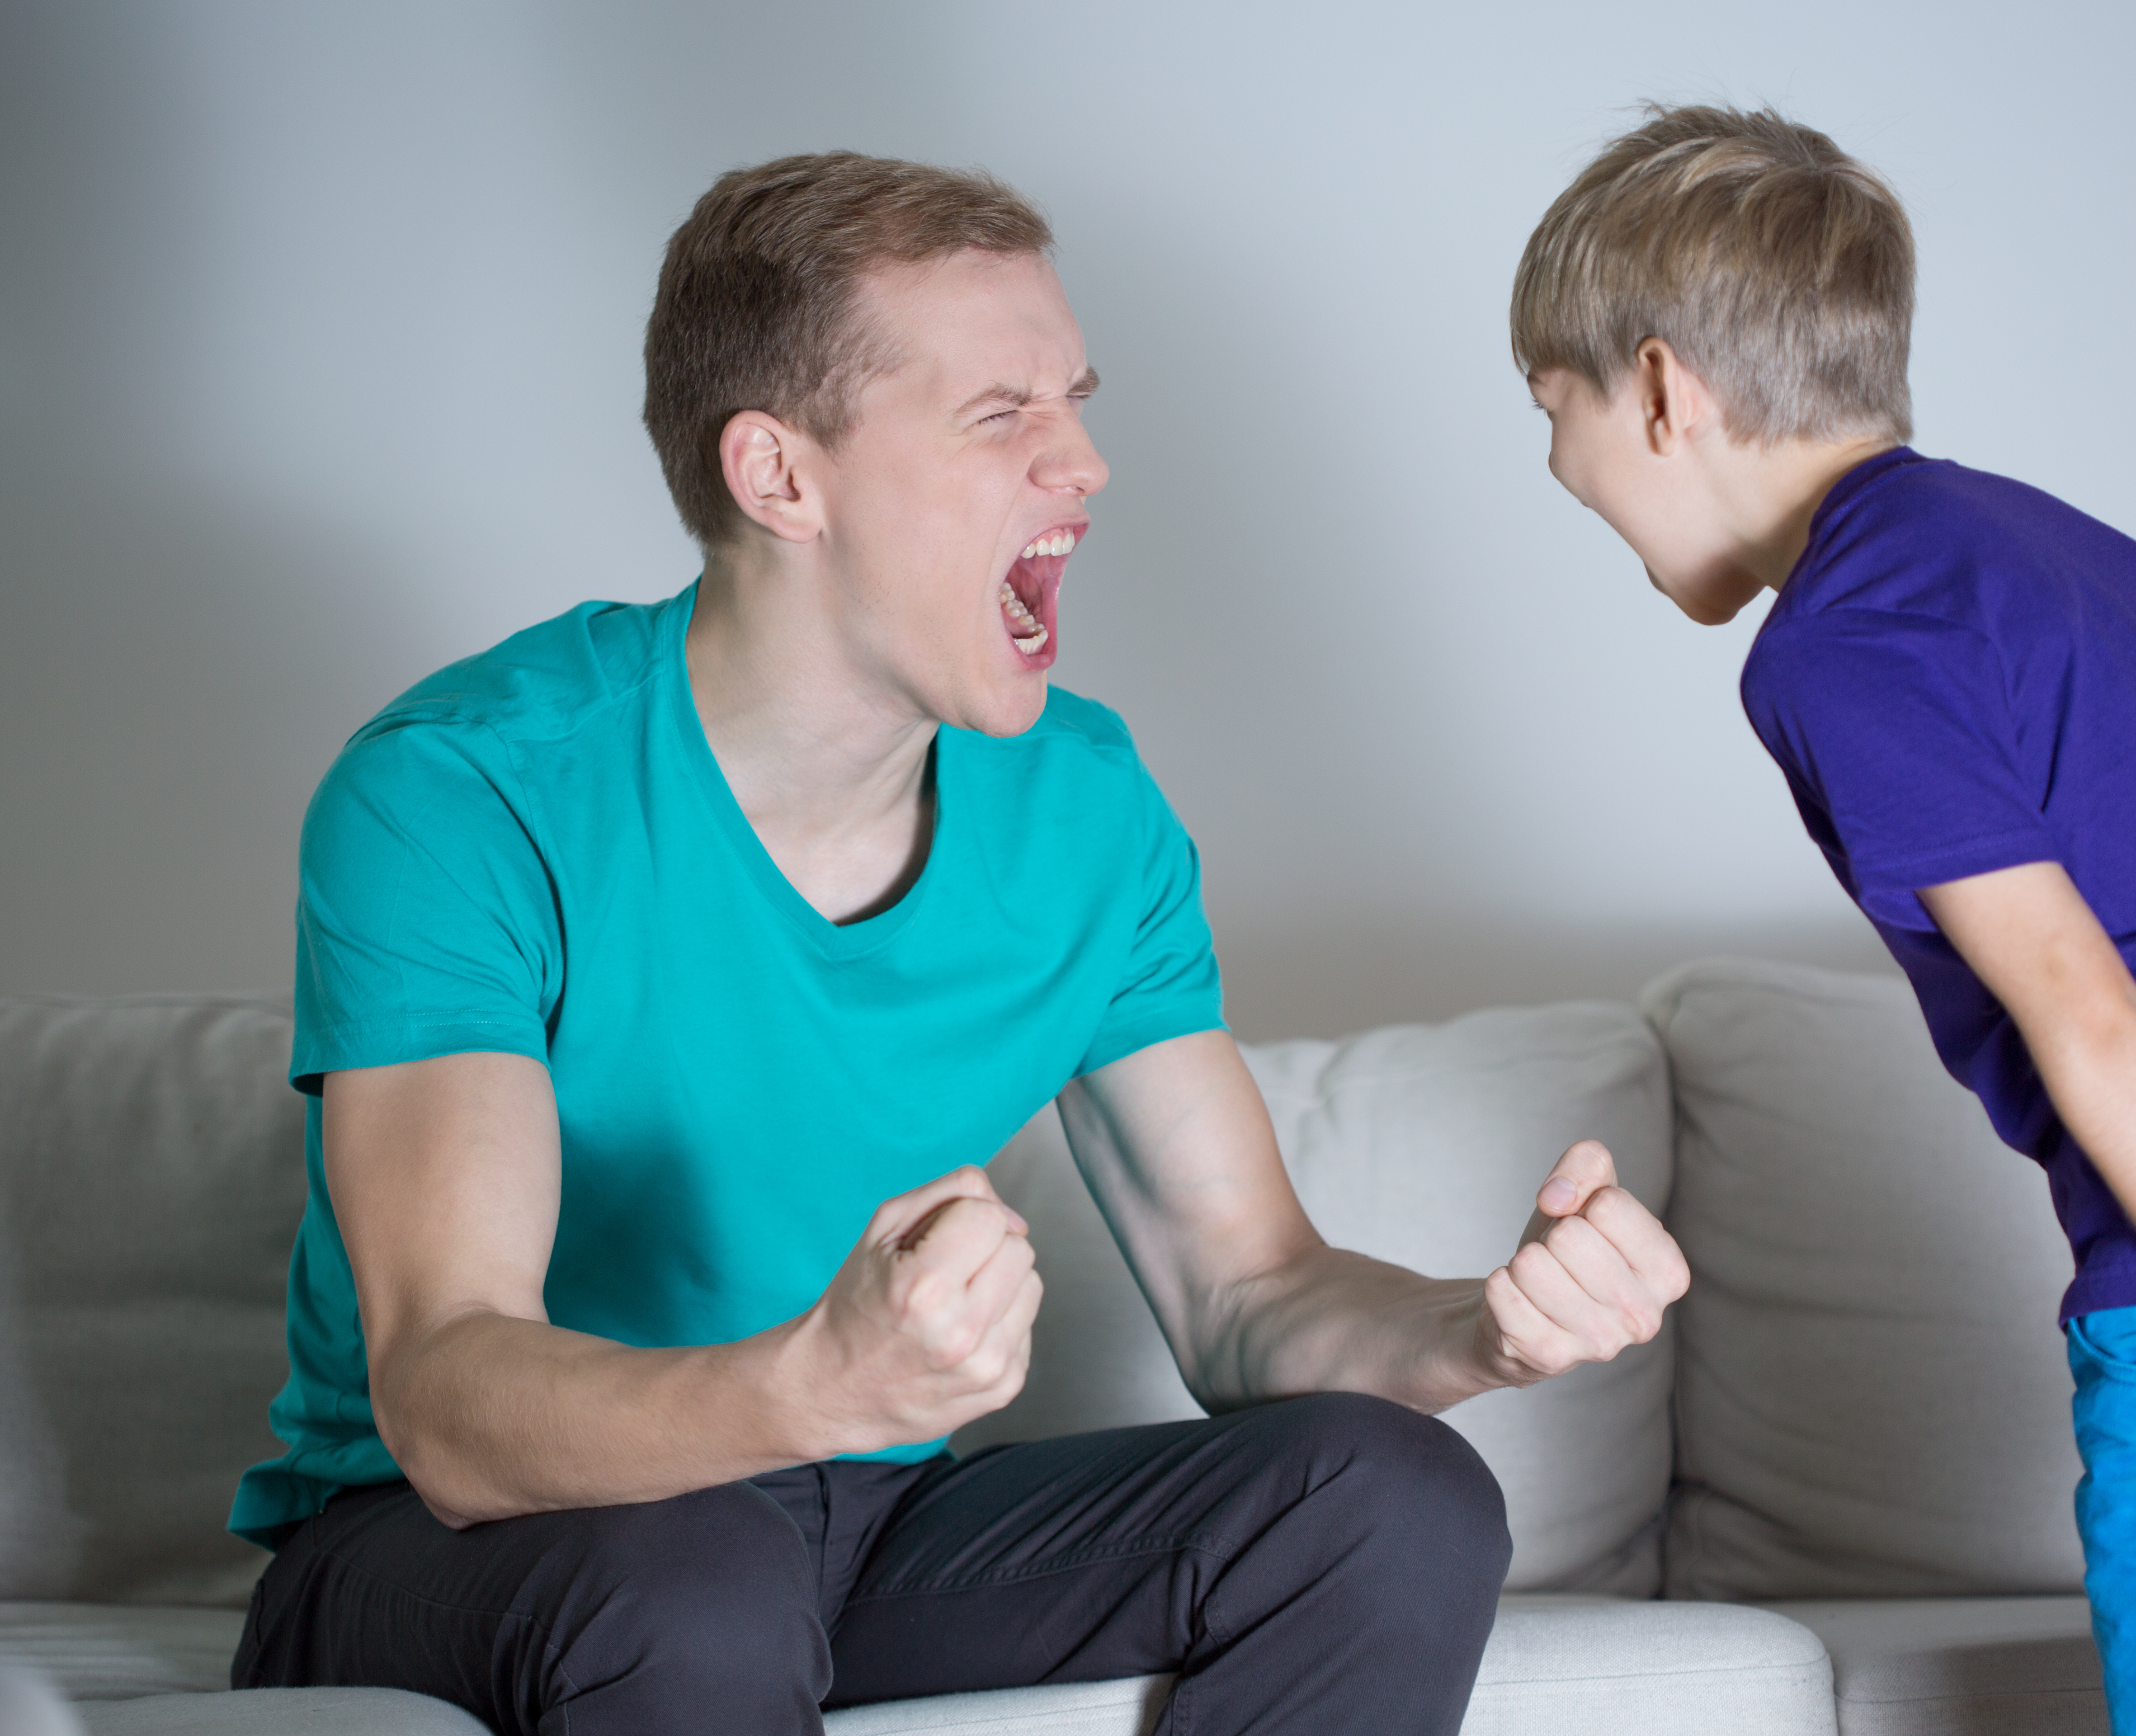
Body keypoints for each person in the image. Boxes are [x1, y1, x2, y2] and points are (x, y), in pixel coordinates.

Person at [227, 152, 1691, 1736]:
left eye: (1077, 399)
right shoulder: (463, 792)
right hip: (449, 1547)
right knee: (696, 1578)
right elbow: (449, 1394)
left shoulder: (1086, 808)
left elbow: (1251, 1297)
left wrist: (1477, 1327)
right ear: (781, 476)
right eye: (1004, 415)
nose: (1088, 463)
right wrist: (815, 1386)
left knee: (1393, 1493)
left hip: (851, 1520)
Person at [1509, 104, 2136, 1735]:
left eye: (1547, 405)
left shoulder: (1842, 643)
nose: (1552, 459)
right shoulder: (2057, 550)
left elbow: (2098, 1017)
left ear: (1656, 389)